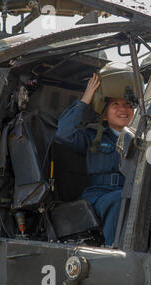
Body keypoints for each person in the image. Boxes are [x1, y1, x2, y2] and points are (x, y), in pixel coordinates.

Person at [55, 62, 138, 246]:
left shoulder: (142, 140)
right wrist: (85, 99)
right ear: (105, 114)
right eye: (115, 104)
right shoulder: (94, 136)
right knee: (120, 201)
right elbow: (64, 133)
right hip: (99, 194)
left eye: (127, 104)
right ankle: (113, 250)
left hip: (131, 191)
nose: (123, 109)